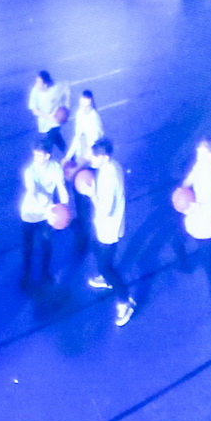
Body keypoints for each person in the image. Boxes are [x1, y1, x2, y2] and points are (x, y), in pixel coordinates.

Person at [83, 138, 135, 326]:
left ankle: (125, 301)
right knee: (96, 249)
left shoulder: (108, 178)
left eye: (94, 156)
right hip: (104, 226)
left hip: (108, 228)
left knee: (106, 267)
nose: (91, 159)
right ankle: (105, 277)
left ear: (104, 157)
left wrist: (91, 194)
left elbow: (105, 210)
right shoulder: (113, 166)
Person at [177, 139, 211, 308]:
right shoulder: (201, 164)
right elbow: (191, 177)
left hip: (206, 224)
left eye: (202, 149)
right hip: (192, 217)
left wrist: (197, 206)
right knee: (177, 241)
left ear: (210, 154)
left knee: (207, 264)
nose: (198, 151)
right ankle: (184, 266)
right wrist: (182, 188)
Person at [16, 137, 69, 289]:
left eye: (39, 155)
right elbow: (32, 192)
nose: (36, 158)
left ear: (47, 155)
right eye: (35, 154)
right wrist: (47, 210)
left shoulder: (55, 167)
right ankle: (26, 275)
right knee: (28, 247)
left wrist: (65, 206)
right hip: (30, 213)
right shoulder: (30, 171)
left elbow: (61, 187)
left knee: (46, 245)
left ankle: (45, 273)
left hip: (48, 213)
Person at [27, 69, 67, 150]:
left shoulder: (56, 87)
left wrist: (66, 107)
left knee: (47, 147)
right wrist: (48, 117)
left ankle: (49, 155)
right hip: (44, 124)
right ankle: (71, 156)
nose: (36, 84)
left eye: (38, 82)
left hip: (55, 122)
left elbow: (66, 87)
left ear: (45, 85)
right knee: (59, 142)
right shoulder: (34, 91)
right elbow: (34, 111)